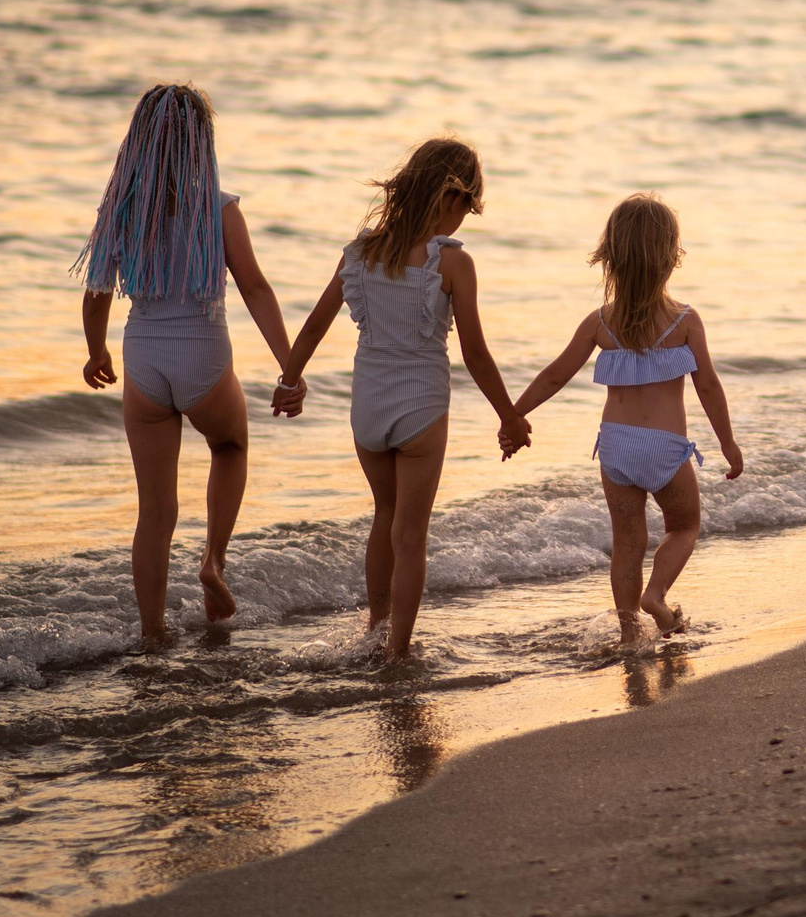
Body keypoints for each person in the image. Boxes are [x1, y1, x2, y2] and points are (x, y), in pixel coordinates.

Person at [276, 138, 528, 662]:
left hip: (367, 405)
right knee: (410, 533)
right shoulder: (453, 264)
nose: (464, 221)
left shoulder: (361, 252)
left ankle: (376, 624)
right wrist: (509, 414)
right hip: (420, 406)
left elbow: (316, 325)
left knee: (384, 515)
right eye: (467, 208)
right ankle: (397, 650)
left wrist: (289, 379)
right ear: (449, 198)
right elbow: (475, 353)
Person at [76, 83, 296, 645]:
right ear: (201, 142)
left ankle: (153, 634)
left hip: (144, 358)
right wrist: (289, 367)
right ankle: (213, 562)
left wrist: (95, 349)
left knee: (155, 513)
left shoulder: (121, 212)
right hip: (203, 353)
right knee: (230, 446)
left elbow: (97, 289)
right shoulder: (218, 209)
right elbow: (255, 287)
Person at [504, 194, 742, 640]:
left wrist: (514, 413)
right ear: (671, 258)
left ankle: (631, 633)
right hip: (666, 448)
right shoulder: (685, 321)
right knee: (684, 525)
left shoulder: (600, 323)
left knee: (627, 545)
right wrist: (727, 443)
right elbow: (707, 385)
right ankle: (656, 596)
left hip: (615, 448)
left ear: (609, 258)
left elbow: (555, 374)